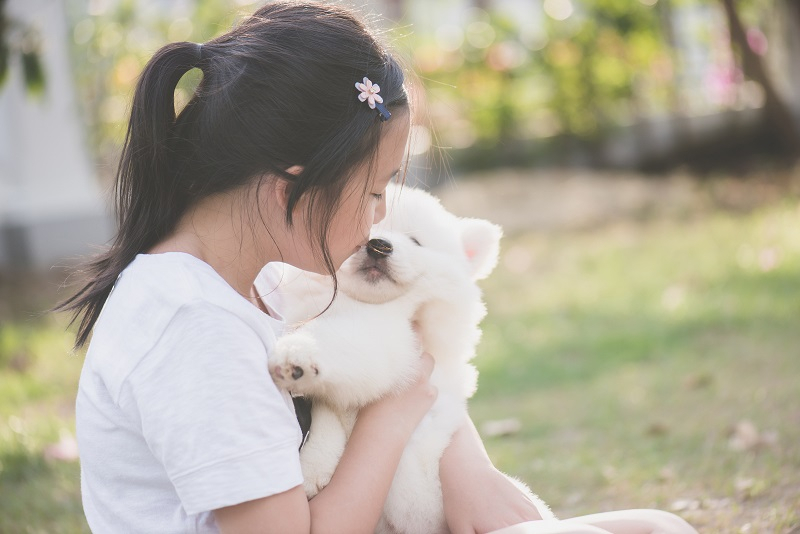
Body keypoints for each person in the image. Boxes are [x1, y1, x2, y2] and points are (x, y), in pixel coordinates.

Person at [58, 2, 697, 533]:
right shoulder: (193, 327)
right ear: (288, 190)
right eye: (372, 191)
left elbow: (404, 353)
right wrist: (393, 412)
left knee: (659, 529)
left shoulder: (260, 279)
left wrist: (467, 472)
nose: (379, 218)